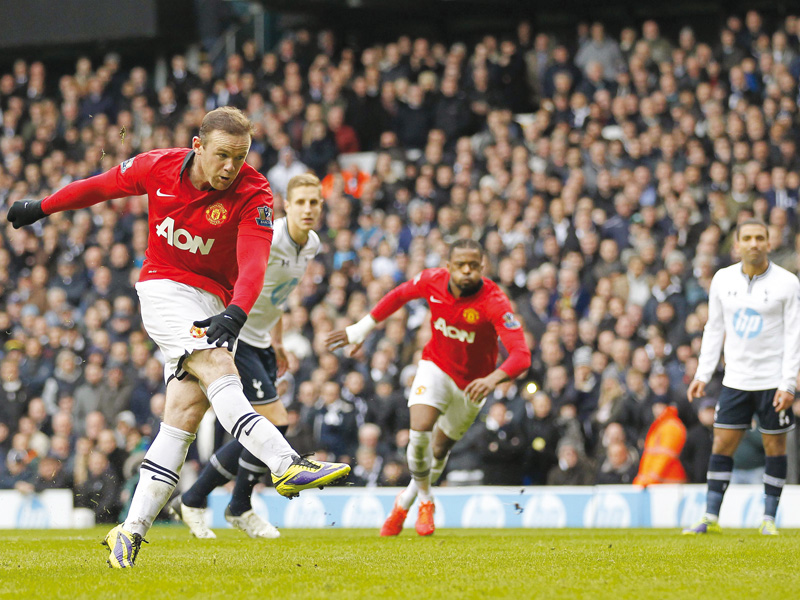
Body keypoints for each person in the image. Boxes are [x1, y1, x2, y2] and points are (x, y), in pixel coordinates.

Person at [7, 107, 350, 567]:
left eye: (240, 156)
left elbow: (253, 263)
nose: (231, 167)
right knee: (218, 367)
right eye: (222, 155)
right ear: (197, 146)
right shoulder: (158, 166)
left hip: (215, 303)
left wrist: (235, 311)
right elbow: (99, 186)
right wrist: (42, 206)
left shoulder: (255, 192)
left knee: (183, 417)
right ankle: (285, 463)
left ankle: (129, 532)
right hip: (164, 287)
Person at [327, 239, 531, 536]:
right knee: (419, 432)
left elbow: (522, 355)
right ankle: (425, 500)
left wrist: (492, 379)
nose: (466, 271)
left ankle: (405, 501)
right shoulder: (432, 280)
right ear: (448, 266)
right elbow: (399, 295)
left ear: (482, 267)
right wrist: (362, 327)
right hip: (435, 367)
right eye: (460, 264)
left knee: (439, 449)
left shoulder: (494, 301)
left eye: (473, 266)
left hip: (473, 385)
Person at [170, 173, 323, 540]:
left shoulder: (312, 244)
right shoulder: (270, 237)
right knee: (277, 421)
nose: (307, 209)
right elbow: (241, 278)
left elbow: (277, 296)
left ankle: (196, 498)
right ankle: (236, 506)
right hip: (239, 339)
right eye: (300, 202)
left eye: (314, 202)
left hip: (263, 341)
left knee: (263, 428)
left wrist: (280, 341)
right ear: (286, 204)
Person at [683, 219, 800, 536]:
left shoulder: (787, 283)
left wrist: (789, 382)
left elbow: (794, 336)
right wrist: (703, 373)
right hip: (735, 380)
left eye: (759, 238)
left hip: (772, 381)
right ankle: (710, 517)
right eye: (747, 238)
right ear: (736, 244)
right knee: (721, 444)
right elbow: (714, 328)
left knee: (775, 447)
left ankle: (769, 519)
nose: (753, 243)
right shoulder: (722, 279)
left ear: (769, 243)